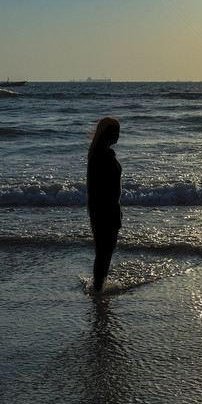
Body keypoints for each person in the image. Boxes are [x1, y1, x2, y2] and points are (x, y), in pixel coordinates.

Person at [87, 117, 122, 291]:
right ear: (109, 133)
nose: (119, 135)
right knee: (104, 252)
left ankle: (98, 287)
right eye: (117, 131)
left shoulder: (98, 153)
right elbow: (104, 188)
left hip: (103, 209)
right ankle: (98, 289)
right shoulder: (103, 156)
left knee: (103, 252)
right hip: (106, 210)